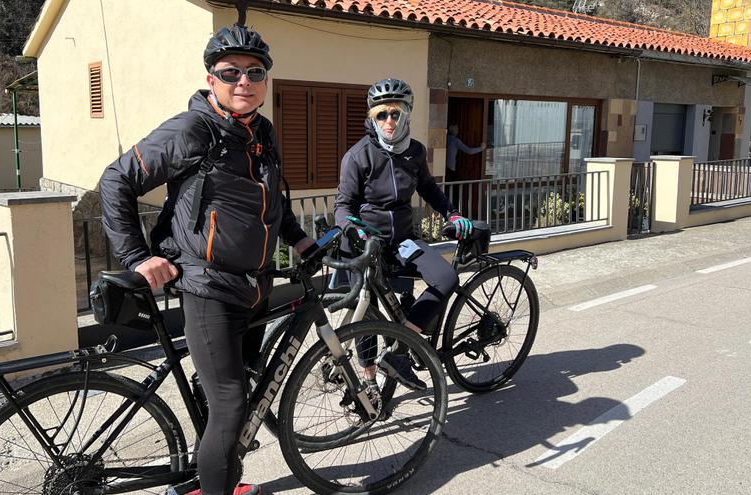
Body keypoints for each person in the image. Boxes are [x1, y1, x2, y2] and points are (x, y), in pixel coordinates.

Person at [99, 24, 314, 495]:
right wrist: (138, 256)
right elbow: (115, 180)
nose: (244, 81)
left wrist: (302, 243)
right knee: (232, 403)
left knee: (232, 389)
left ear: (265, 79)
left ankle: (212, 475)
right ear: (211, 78)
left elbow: (273, 203)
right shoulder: (194, 128)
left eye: (255, 72)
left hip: (254, 285)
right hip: (207, 286)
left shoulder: (263, 131)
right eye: (230, 72)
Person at [333, 78, 474, 392]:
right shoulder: (358, 155)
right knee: (366, 312)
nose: (389, 121)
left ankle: (399, 353)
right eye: (382, 115)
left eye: (396, 114)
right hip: (366, 243)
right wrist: (353, 227)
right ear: (372, 117)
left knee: (446, 277)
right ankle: (368, 380)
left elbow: (429, 190)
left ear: (407, 114)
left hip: (402, 241)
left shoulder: (414, 152)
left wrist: (452, 213)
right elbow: (342, 205)